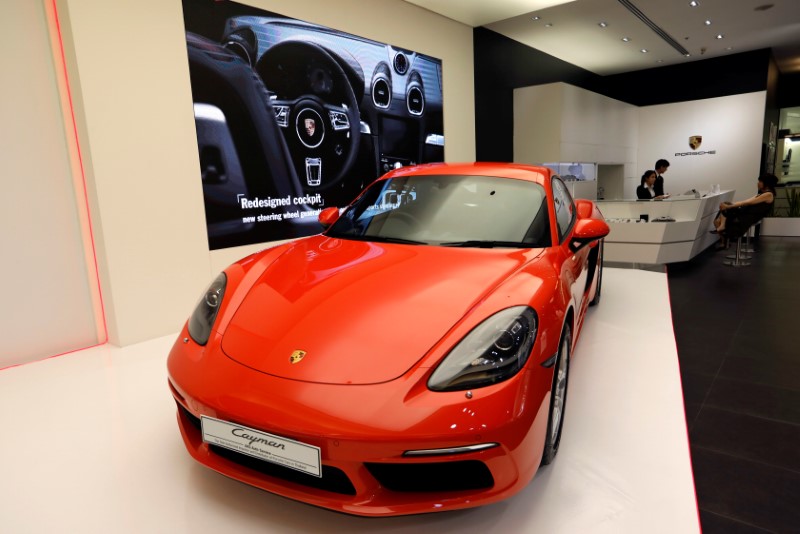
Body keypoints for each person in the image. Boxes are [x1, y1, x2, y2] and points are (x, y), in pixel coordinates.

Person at [713, 173, 779, 249]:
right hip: (745, 213)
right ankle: (723, 235)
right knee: (718, 219)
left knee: (725, 209)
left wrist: (729, 206)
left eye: (760, 181)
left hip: (748, 217)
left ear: (766, 183)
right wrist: (730, 205)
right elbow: (745, 201)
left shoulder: (768, 195)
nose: (758, 183)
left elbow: (747, 202)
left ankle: (724, 236)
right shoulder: (761, 194)